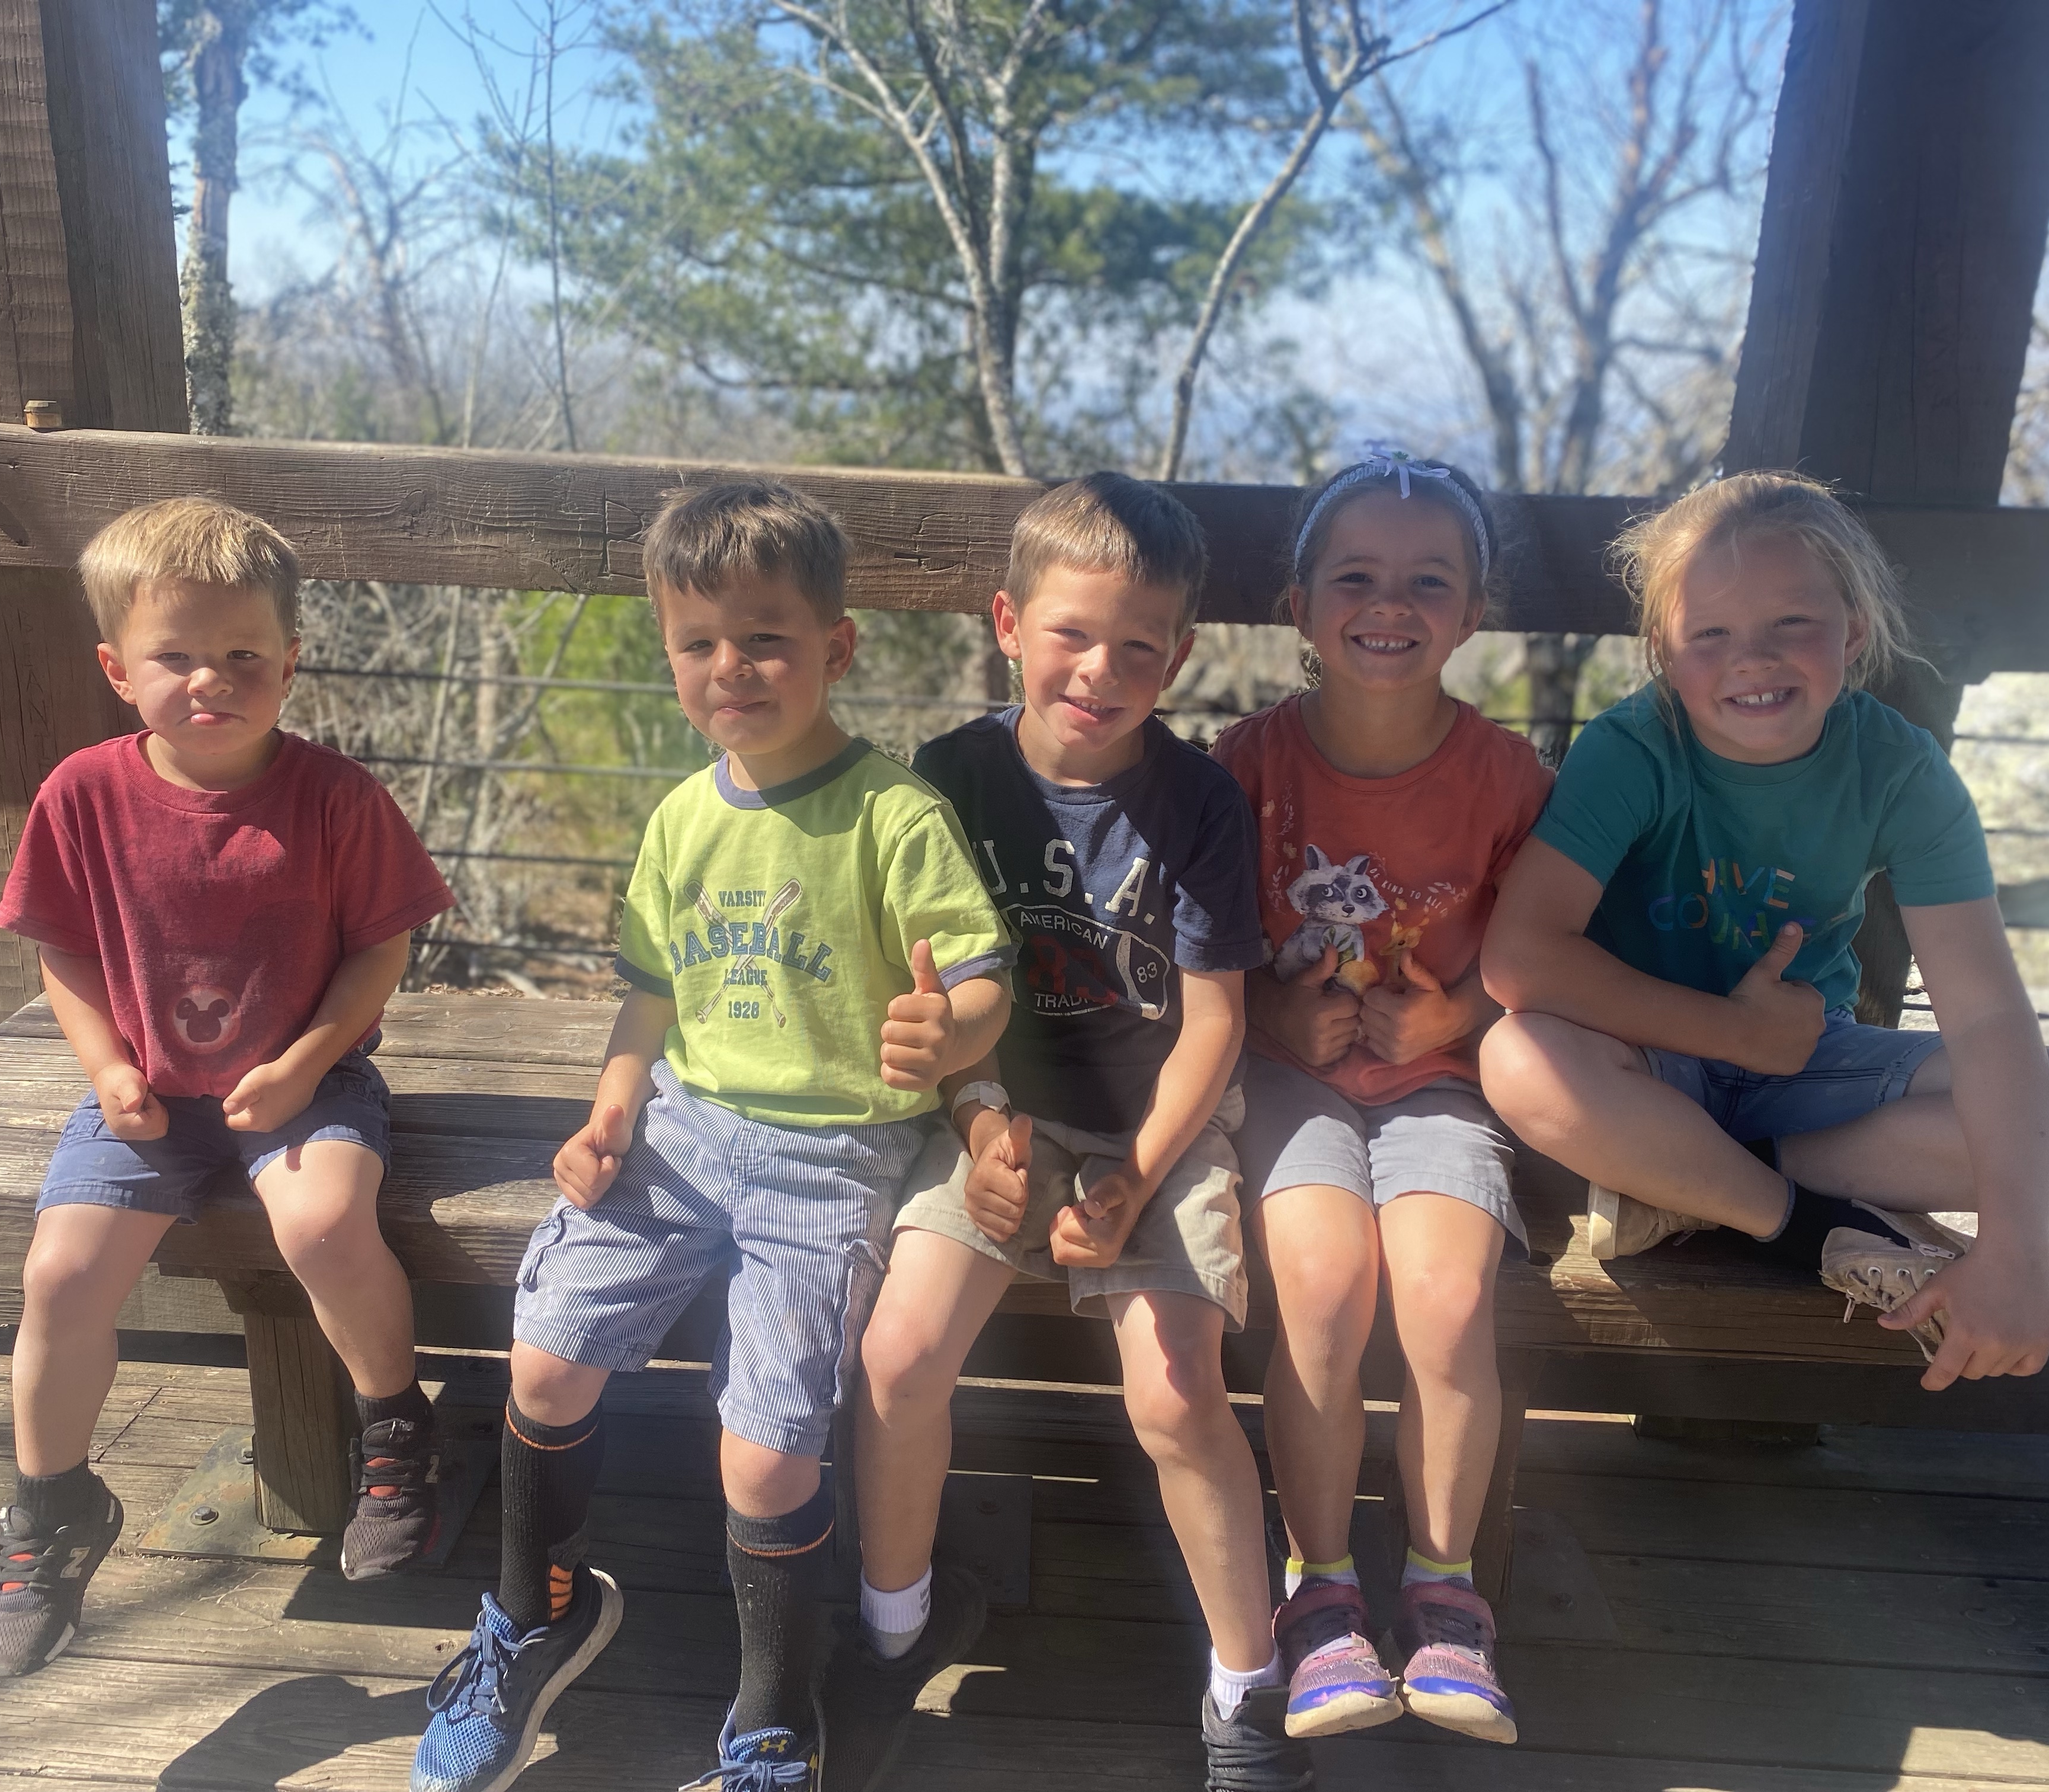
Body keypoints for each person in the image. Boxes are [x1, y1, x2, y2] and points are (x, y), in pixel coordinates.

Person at [412, 479, 1014, 1792]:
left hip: (831, 1159)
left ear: (836, 648)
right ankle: (531, 1615)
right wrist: (612, 1104)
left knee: (767, 1455)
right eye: (699, 642)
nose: (730, 667)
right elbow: (652, 990)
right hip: (683, 1135)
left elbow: (979, 979)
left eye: (766, 638)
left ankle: (775, 1719)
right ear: (669, 655)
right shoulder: (684, 820)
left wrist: (950, 1033)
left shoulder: (893, 815)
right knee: (546, 1363)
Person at [1478, 471, 2049, 1393]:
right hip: (1645, 1068)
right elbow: (1521, 959)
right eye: (1710, 634)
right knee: (1520, 1059)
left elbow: (1988, 1018)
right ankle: (1807, 1225)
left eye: (1791, 623)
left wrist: (2016, 1255)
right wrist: (1733, 1032)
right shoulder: (1634, 748)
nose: (1752, 660)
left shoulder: (1899, 771)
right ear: (1664, 653)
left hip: (1806, 1071)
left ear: (1855, 631)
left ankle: (1700, 1189)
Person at [832, 473, 1297, 1791]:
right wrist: (978, 1124)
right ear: (1007, 623)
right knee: (899, 1355)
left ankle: (1247, 1688)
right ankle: (892, 1627)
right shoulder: (950, 779)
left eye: (1140, 648)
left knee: (1177, 1389)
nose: (1102, 671)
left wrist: (1137, 1180)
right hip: (1001, 1110)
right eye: (1072, 634)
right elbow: (928, 992)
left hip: (1160, 1123)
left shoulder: (1199, 804)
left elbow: (1215, 1024)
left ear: (1181, 657)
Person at [0, 498, 456, 1676]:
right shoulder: (83, 795)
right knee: (62, 1272)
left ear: (290, 662)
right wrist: (108, 1069)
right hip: (144, 1094)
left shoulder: (335, 797)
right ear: (117, 670)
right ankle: (51, 1506)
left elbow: (381, 949)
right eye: (176, 656)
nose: (212, 680)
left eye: (244, 655)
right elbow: (64, 954)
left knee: (324, 1221)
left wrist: (304, 1063)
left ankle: (397, 1428)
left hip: (310, 1080)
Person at [1214, 450, 1549, 1749]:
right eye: (1354, 576)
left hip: (1442, 1088)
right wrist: (1271, 1011)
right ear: (1298, 607)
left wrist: (1457, 1015)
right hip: (1285, 1079)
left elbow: (1554, 960)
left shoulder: (1511, 782)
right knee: (1319, 1282)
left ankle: (1448, 1596)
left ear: (1473, 614)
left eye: (1429, 581)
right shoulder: (1240, 768)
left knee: (1449, 1298)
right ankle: (1320, 1592)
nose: (1390, 603)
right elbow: (1197, 954)